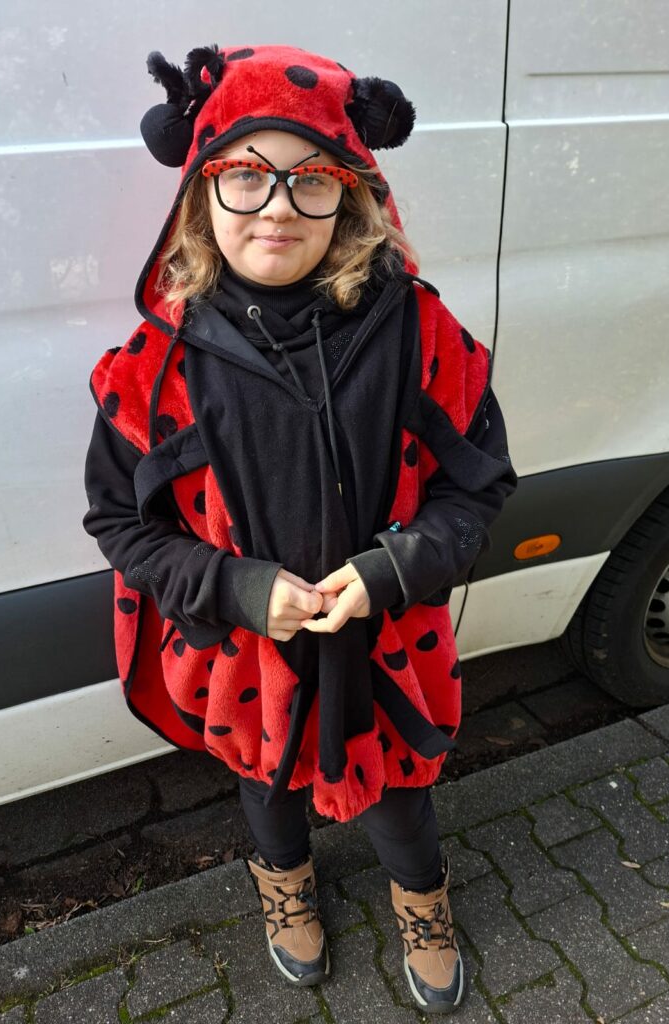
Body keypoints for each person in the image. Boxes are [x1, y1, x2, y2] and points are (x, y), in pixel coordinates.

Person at [82, 42, 518, 1014]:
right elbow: (118, 518)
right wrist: (235, 588)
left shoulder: (420, 334)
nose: (277, 206)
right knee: (266, 784)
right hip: (251, 658)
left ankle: (422, 897)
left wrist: (398, 566)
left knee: (402, 795)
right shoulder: (156, 367)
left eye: (310, 179)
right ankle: (284, 883)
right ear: (201, 190)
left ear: (350, 195)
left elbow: (478, 487)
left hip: (387, 643)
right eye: (246, 174)